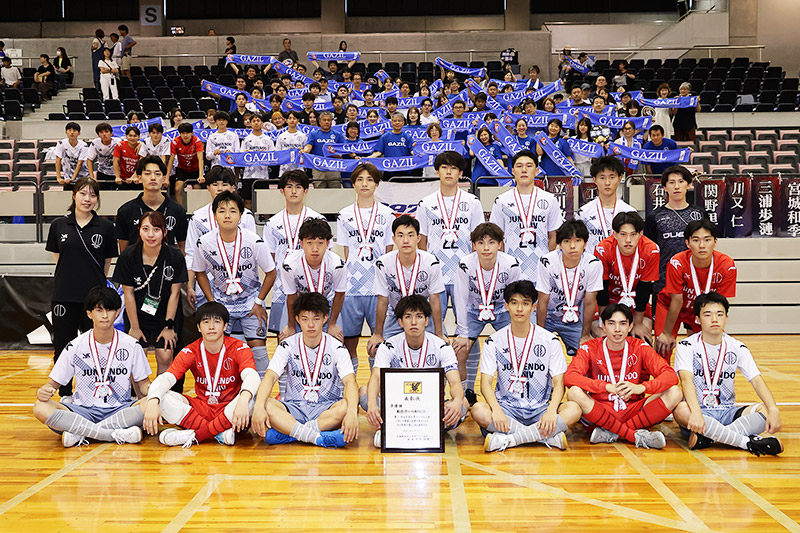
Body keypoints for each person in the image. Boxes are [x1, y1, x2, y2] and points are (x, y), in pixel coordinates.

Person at [33, 287, 150, 447]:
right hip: (83, 411)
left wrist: (156, 393)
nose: (104, 315)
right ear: (89, 313)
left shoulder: (131, 345)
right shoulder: (75, 346)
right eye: (99, 310)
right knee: (40, 407)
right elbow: (51, 384)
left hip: (120, 409)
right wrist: (43, 391)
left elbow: (143, 385)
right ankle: (112, 434)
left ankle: (81, 432)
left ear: (117, 312)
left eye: (109, 310)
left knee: (154, 402)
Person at [472, 280, 581, 451]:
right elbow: (485, 383)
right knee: (478, 410)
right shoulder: (494, 341)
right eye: (514, 303)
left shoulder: (550, 341)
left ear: (533, 307)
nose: (519, 309)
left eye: (525, 303)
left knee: (574, 409)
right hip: (507, 410)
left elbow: (559, 382)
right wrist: (496, 410)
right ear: (506, 306)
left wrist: (551, 411)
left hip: (540, 410)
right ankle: (545, 437)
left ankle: (509, 439)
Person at [672, 292, 783, 456]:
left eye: (719, 314)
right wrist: (696, 413)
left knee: (765, 410)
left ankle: (709, 438)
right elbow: (686, 380)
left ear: (726, 318)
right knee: (680, 410)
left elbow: (756, 379)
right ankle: (745, 442)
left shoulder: (737, 347)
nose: (714, 319)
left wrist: (773, 409)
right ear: (697, 319)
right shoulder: (687, 346)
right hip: (699, 412)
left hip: (728, 411)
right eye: (707, 315)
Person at [142, 302, 260, 447]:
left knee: (251, 398)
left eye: (217, 322)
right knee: (162, 397)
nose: (211, 326)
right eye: (206, 322)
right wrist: (152, 401)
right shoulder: (191, 351)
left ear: (225, 326)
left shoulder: (239, 347)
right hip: (203, 408)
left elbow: (252, 376)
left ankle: (196, 435)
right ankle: (219, 434)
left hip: (231, 409)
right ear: (198, 327)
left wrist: (243, 400)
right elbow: (167, 378)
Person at [565, 304, 681, 448]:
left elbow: (670, 376)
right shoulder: (590, 347)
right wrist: (605, 387)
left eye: (623, 324)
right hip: (600, 410)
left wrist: (641, 388)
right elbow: (570, 377)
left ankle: (612, 433)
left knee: (674, 391)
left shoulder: (640, 347)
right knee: (574, 392)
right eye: (611, 323)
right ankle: (633, 435)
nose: (617, 329)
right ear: (603, 326)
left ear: (630, 326)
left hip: (633, 410)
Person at [251, 292, 359, 449]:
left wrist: (352, 414)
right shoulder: (287, 345)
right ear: (297, 319)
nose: (311, 325)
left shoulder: (336, 347)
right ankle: (317, 438)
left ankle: (290, 434)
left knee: (346, 406)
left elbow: (350, 382)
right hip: (294, 407)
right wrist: (258, 407)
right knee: (265, 404)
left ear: (325, 318)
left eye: (316, 319)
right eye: (305, 319)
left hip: (326, 408)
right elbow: (269, 377)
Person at [416, 151, 484, 395]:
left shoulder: (472, 203)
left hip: (464, 275)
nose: (448, 172)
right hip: (435, 276)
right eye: (444, 167)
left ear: (461, 172)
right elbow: (422, 241)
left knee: (469, 333)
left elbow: (478, 240)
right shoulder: (426, 203)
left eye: (453, 168)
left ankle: (468, 390)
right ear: (437, 171)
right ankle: (435, 390)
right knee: (434, 333)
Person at [360, 295, 466, 447]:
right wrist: (372, 404)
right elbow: (376, 377)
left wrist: (456, 401)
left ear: (427, 321)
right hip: (398, 407)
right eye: (408, 317)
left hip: (431, 406)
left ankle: (393, 429)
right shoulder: (388, 346)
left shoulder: (441, 347)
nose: (414, 322)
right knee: (364, 392)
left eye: (419, 316)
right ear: (400, 322)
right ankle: (428, 429)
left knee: (463, 402)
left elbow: (455, 382)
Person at [46, 179, 118, 399]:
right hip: (64, 296)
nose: (88, 199)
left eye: (93, 195)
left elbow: (106, 263)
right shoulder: (58, 225)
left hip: (94, 300)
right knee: (63, 346)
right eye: (83, 193)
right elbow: (59, 259)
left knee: (96, 346)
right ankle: (65, 393)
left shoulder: (106, 227)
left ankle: (93, 390)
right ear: (74, 195)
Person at [193, 191, 276, 377]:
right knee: (221, 352)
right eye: (222, 211)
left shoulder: (254, 241)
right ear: (214, 215)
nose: (227, 215)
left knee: (259, 354)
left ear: (241, 215)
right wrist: (212, 302)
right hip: (221, 303)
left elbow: (271, 273)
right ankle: (226, 388)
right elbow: (199, 272)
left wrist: (259, 302)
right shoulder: (204, 242)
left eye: (232, 211)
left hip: (250, 303)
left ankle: (260, 392)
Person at [113, 207, 187, 389]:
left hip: (166, 313)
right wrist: (135, 327)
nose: (151, 234)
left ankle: (160, 396)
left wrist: (169, 326)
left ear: (165, 232)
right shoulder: (128, 256)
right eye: (145, 229)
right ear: (139, 231)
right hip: (137, 314)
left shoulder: (175, 256)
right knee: (137, 354)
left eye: (156, 229)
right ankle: (140, 398)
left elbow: (175, 293)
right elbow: (128, 293)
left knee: (165, 354)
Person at [336, 163, 395, 371]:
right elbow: (346, 253)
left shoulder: (388, 214)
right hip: (352, 288)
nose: (364, 184)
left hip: (378, 288)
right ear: (353, 184)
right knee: (348, 345)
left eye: (370, 179)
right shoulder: (344, 215)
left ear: (377, 184)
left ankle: (377, 387)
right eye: (360, 179)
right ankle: (350, 385)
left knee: (379, 345)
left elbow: (388, 253)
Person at [367, 215, 446, 363]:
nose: (405, 240)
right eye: (400, 235)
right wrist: (377, 334)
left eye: (410, 235)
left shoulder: (431, 262)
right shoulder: (383, 263)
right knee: (377, 349)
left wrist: (439, 333)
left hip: (422, 314)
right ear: (394, 239)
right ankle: (380, 379)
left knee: (442, 348)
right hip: (395, 315)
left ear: (418, 238)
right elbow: (383, 300)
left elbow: (434, 299)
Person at [655, 219, 737, 358]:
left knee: (709, 347)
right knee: (663, 346)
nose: (702, 245)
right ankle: (663, 372)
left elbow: (719, 304)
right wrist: (667, 333)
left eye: (707, 240)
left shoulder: (727, 265)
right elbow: (677, 300)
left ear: (715, 241)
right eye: (696, 240)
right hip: (671, 306)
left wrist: (713, 330)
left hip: (702, 309)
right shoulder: (677, 262)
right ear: (687, 243)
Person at [453, 222, 520, 390]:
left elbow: (515, 298)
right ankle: (464, 393)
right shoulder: (465, 265)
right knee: (460, 350)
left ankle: (508, 391)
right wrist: (463, 333)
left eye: (491, 242)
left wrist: (517, 329)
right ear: (473, 245)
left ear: (500, 244)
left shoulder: (511, 264)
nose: (486, 248)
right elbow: (460, 299)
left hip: (502, 310)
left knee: (516, 347)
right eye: (481, 242)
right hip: (473, 310)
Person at [262, 170, 325, 335]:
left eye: (298, 187)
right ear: (282, 191)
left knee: (313, 335)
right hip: (281, 290)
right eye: (289, 186)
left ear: (306, 191)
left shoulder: (318, 220)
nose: (294, 191)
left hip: (311, 287)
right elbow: (270, 261)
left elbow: (325, 255)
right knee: (284, 336)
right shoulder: (272, 223)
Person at [185, 166, 256, 311]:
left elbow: (251, 253)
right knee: (210, 323)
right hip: (206, 284)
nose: (219, 189)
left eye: (224, 184)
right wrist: (189, 285)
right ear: (208, 187)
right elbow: (191, 253)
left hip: (239, 284)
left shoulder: (246, 216)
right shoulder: (197, 217)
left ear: (233, 187)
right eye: (215, 184)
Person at [489, 149, 563, 283]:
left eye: (529, 166)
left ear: (537, 171)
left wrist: (546, 260)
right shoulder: (501, 201)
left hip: (541, 270)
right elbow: (496, 237)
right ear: (512, 171)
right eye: (519, 166)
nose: (524, 170)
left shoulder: (550, 199)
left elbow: (553, 235)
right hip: (511, 270)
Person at [536, 220, 603, 355]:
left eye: (578, 241)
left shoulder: (593, 264)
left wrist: (585, 335)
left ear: (585, 243)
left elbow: (590, 302)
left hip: (574, 321)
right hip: (547, 318)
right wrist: (540, 334)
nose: (572, 246)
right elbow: (543, 300)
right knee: (537, 349)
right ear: (559, 244)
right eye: (567, 241)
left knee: (588, 353)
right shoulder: (547, 262)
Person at [645, 165, 706, 306]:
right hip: (664, 280)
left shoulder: (700, 214)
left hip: (695, 279)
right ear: (665, 187)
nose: (677, 186)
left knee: (695, 319)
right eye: (671, 182)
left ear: (689, 185)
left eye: (681, 181)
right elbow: (649, 250)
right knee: (663, 321)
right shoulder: (654, 217)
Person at [594, 211, 660, 342]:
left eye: (633, 234)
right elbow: (602, 290)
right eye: (623, 234)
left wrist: (638, 323)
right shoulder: (603, 249)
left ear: (641, 234)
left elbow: (644, 289)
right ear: (614, 234)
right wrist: (605, 322)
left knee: (642, 338)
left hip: (635, 303)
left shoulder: (651, 250)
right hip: (609, 301)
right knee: (602, 337)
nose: (628, 240)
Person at [279, 218, 346, 342]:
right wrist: (291, 326)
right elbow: (291, 296)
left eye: (320, 243)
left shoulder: (337, 264)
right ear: (301, 243)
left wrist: (332, 324)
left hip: (327, 302)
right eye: (309, 242)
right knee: (286, 340)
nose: (315, 248)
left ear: (328, 243)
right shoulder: (289, 264)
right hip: (298, 302)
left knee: (336, 339)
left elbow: (340, 294)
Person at [114, 155, 188, 252]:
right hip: (136, 261)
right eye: (147, 173)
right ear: (139, 178)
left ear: (164, 178)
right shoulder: (125, 211)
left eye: (157, 174)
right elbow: (124, 251)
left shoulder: (178, 210)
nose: (153, 178)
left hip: (167, 261)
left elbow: (183, 249)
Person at [576, 156, 637, 254]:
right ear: (595, 180)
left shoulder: (629, 212)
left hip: (620, 262)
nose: (607, 183)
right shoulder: (583, 213)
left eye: (612, 177)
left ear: (620, 179)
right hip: (592, 262)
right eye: (602, 177)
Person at [303, 111, 347, 188]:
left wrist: (337, 154)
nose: (326, 122)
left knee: (335, 191)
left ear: (332, 122)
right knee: (319, 191)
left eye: (328, 120)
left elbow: (343, 151)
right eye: (324, 120)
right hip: (318, 167)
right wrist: (304, 151)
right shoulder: (314, 134)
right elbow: (308, 146)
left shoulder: (338, 135)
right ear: (320, 122)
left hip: (334, 167)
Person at [239, 112, 275, 207]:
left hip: (263, 175)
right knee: (247, 201)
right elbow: (240, 157)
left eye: (258, 120)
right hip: (248, 175)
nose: (256, 123)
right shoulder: (246, 139)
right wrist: (245, 153)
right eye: (254, 121)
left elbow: (273, 157)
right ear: (250, 123)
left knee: (264, 201)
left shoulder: (268, 139)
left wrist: (265, 154)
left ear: (262, 123)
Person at [167, 122, 205, 198]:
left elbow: (200, 159)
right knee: (177, 188)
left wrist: (201, 175)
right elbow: (171, 160)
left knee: (197, 189)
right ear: (180, 134)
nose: (185, 135)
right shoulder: (175, 142)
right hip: (182, 169)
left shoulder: (197, 141)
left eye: (187, 133)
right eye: (183, 133)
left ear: (192, 133)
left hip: (195, 169)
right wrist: (167, 178)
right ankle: (180, 206)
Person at [54, 122, 89, 188]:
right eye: (69, 130)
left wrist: (73, 178)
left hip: (83, 178)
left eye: (74, 130)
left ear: (79, 133)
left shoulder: (84, 145)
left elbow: (80, 163)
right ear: (66, 132)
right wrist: (58, 177)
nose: (72, 132)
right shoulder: (61, 144)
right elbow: (58, 160)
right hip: (67, 179)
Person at [275, 111, 308, 175]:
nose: (292, 120)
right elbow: (277, 153)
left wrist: (303, 151)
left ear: (298, 120)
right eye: (290, 118)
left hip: (299, 169)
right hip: (284, 170)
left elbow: (306, 153)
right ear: (286, 120)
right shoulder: (281, 136)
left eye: (294, 118)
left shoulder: (303, 136)